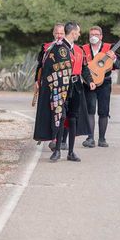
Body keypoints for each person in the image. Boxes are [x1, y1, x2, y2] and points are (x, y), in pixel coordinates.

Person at [33, 22, 95, 162]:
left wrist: (89, 80)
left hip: (75, 86)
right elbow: (45, 68)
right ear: (73, 33)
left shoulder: (79, 50)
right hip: (60, 87)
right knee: (60, 117)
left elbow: (84, 68)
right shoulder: (56, 48)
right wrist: (40, 83)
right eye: (78, 32)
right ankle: (57, 150)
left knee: (73, 118)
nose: (79, 34)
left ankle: (71, 152)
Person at [81, 26, 120, 148]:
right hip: (89, 83)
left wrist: (113, 58)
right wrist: (88, 81)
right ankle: (90, 138)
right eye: (91, 34)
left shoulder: (109, 48)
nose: (94, 36)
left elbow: (119, 65)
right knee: (90, 109)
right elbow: (82, 67)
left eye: (96, 34)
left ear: (101, 36)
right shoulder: (84, 49)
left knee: (104, 111)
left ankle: (102, 139)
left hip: (105, 82)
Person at [34, 23, 69, 151]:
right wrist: (36, 81)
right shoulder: (46, 47)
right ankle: (45, 136)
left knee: (60, 113)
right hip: (45, 85)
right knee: (46, 112)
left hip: (60, 87)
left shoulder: (66, 48)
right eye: (57, 33)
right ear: (53, 33)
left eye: (61, 33)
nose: (59, 36)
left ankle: (56, 140)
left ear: (65, 34)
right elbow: (40, 66)